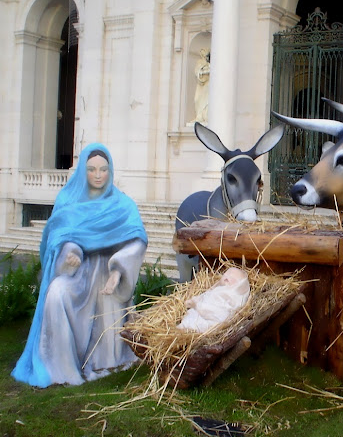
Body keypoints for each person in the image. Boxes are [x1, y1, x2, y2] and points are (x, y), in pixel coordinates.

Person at [12, 143, 148, 387]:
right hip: (78, 272)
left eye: (103, 169)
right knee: (56, 293)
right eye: (92, 169)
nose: (98, 175)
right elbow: (58, 238)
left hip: (108, 272)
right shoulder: (69, 200)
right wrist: (70, 253)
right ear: (83, 171)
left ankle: (106, 361)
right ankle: (61, 366)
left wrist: (118, 270)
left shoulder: (123, 205)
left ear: (111, 171)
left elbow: (137, 240)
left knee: (108, 297)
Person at [177, 266, 250, 333]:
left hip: (210, 321)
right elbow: (205, 296)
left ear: (239, 286)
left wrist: (197, 305)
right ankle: (182, 327)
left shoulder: (231, 298)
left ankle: (185, 329)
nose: (227, 277)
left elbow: (218, 314)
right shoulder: (217, 289)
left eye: (233, 277)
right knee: (191, 315)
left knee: (202, 324)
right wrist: (195, 301)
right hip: (199, 312)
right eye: (226, 274)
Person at [194, 48, 210, 122]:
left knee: (207, 101)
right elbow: (198, 72)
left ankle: (205, 116)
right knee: (197, 100)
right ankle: (199, 116)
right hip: (201, 86)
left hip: (209, 85)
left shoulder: (211, 63)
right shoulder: (200, 62)